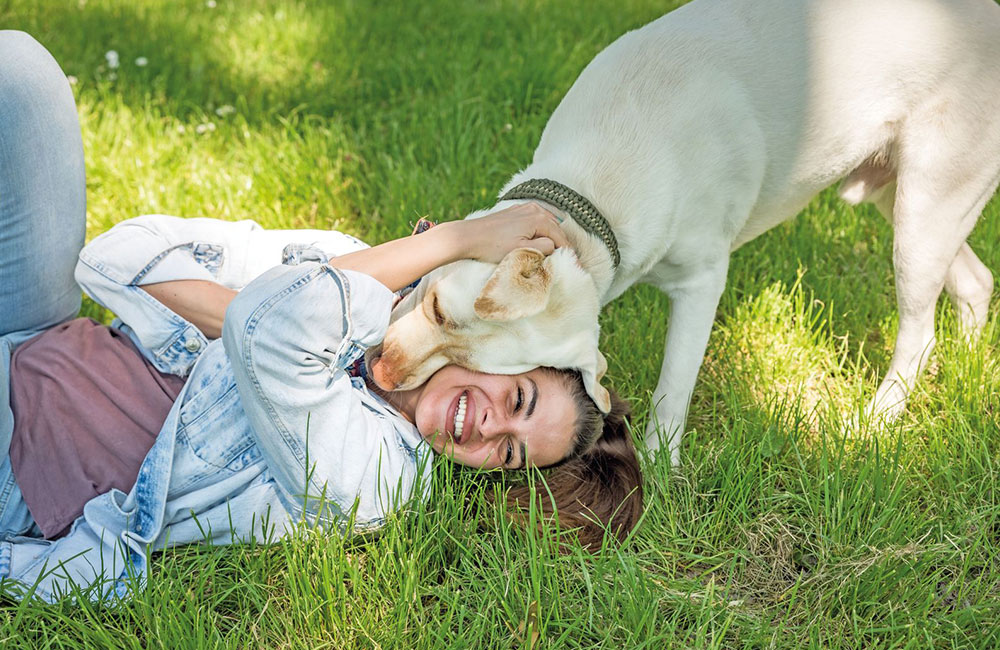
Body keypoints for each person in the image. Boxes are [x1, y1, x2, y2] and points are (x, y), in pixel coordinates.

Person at [0, 31, 642, 603]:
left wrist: (449, 241)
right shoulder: (364, 271)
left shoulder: (379, 478)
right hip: (39, 329)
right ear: (509, 347)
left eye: (508, 455)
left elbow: (269, 332)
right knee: (22, 73)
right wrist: (287, 316)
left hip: (15, 462)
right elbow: (114, 257)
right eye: (519, 400)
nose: (488, 429)